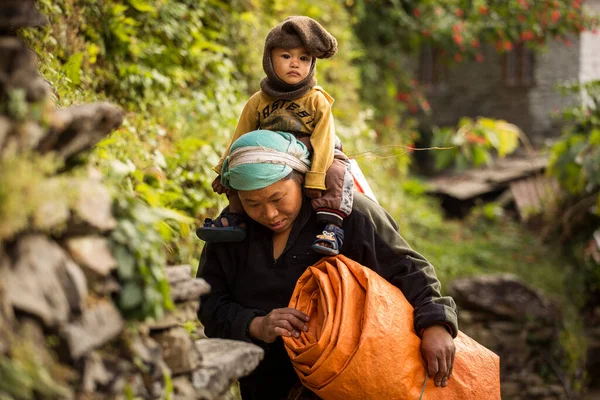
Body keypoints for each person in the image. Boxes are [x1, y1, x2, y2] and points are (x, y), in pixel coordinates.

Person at [197, 130, 458, 400]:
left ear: (302, 180)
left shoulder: (349, 215)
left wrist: (436, 324)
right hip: (266, 383)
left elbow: (408, 268)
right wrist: (256, 325)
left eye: (278, 198)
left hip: (350, 380)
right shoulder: (230, 233)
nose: (269, 214)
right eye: (253, 204)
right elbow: (208, 301)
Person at [196, 16, 352, 256]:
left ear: (312, 64)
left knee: (338, 171)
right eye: (286, 56)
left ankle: (331, 226)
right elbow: (241, 136)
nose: (295, 64)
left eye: (304, 58)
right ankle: (234, 218)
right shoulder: (259, 100)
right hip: (270, 155)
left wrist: (316, 176)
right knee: (241, 167)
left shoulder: (316, 99)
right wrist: (223, 171)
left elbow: (324, 139)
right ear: (269, 58)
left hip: (312, 151)